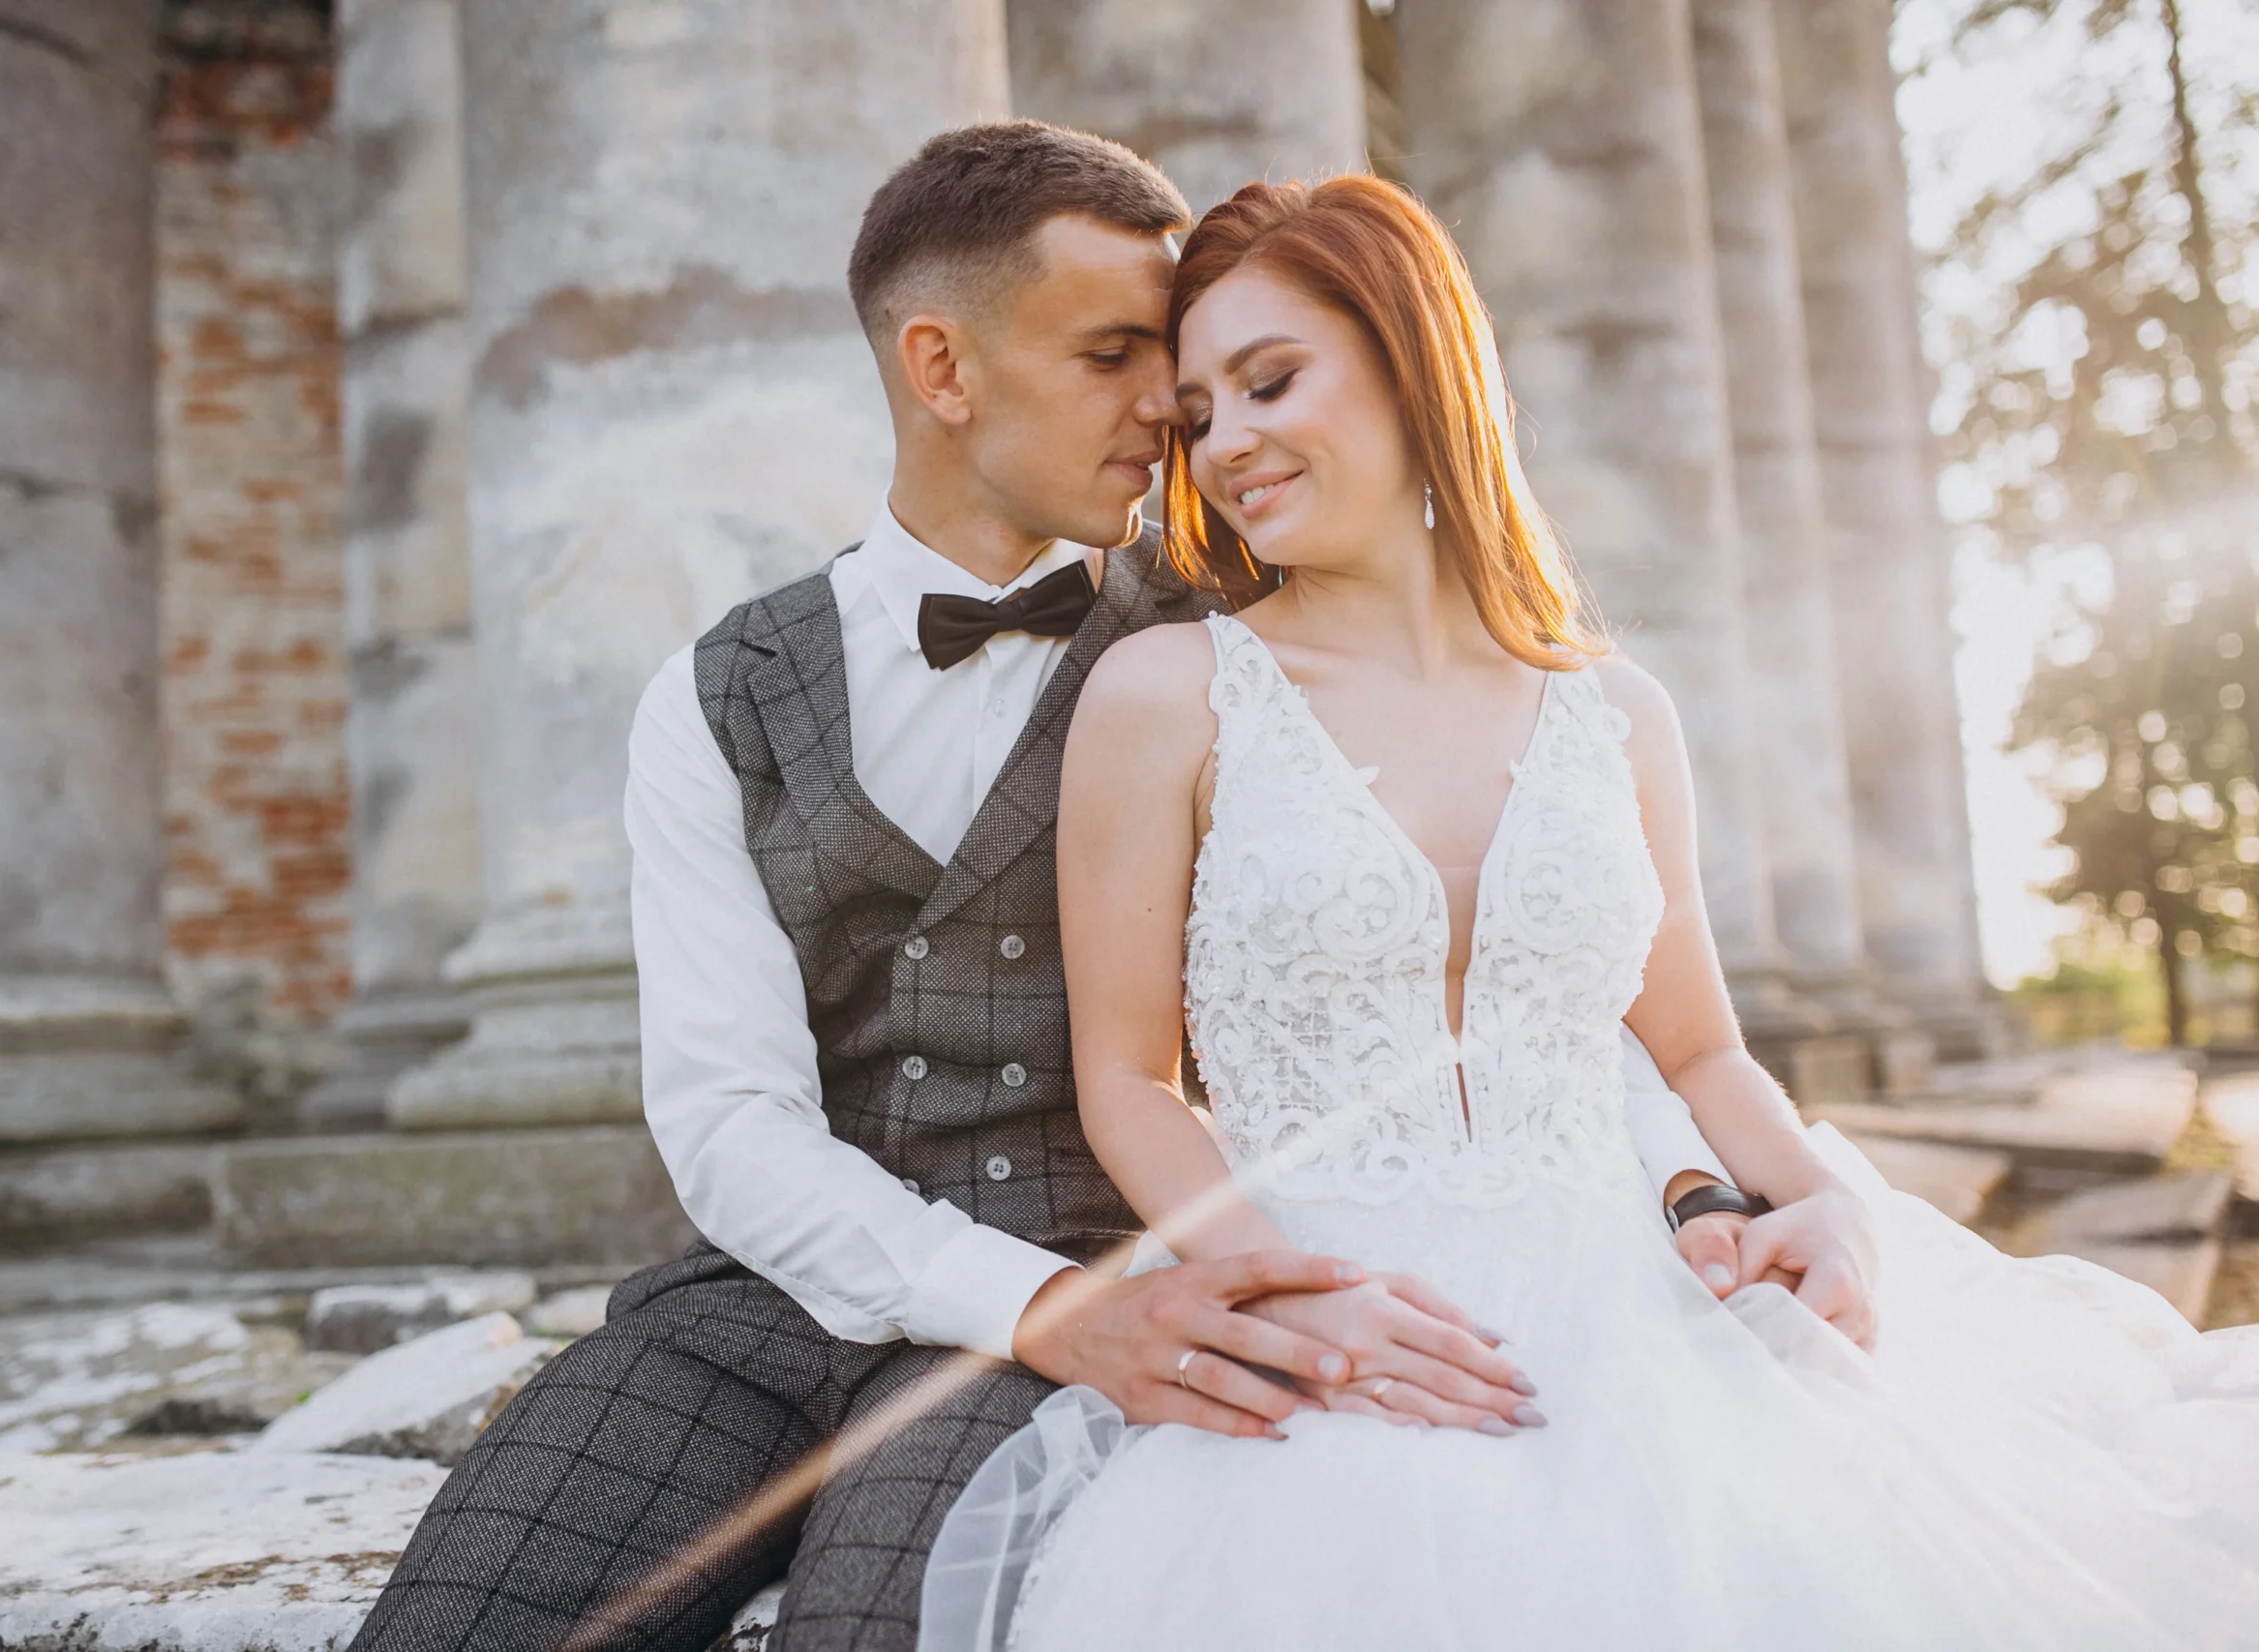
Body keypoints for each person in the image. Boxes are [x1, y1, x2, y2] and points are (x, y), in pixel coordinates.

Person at [350, 125, 1816, 1652]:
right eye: (1122, 358)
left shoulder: (1245, 659)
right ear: (943, 368)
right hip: (766, 1308)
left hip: (1105, 1302)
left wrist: (1702, 1182)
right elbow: (726, 1120)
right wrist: (1021, 1299)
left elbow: (1512, 979)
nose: (1172, 423)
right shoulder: (713, 695)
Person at [916, 174, 2259, 1652]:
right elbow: (1130, 1079)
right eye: (1198, 412)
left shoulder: (1616, 713)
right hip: (1356, 1313)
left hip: (1649, 1315)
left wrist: (1821, 1201)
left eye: (1270, 381)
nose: (1226, 444)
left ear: (1416, 358)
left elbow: (1697, 1051)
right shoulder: (1166, 695)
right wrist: (1284, 1299)